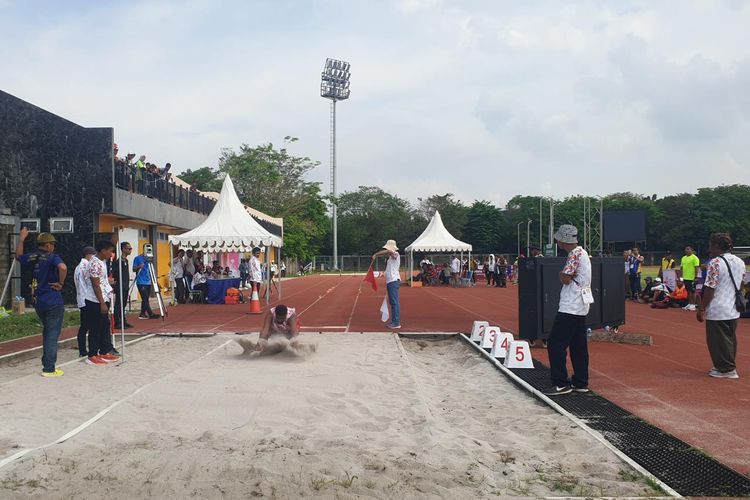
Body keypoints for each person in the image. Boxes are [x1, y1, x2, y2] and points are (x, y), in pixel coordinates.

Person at [545, 225, 592, 396]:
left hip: (570, 305)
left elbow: (565, 278)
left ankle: (560, 382)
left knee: (555, 343)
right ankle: (581, 381)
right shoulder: (583, 252)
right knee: (578, 344)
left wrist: (561, 274)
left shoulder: (574, 255)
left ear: (563, 240)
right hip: (581, 305)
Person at [15, 229, 68, 377]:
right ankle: (49, 368)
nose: (54, 247)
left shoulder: (31, 257)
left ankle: (46, 362)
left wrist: (21, 239)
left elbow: (18, 256)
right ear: (49, 245)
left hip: (38, 301)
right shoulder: (52, 257)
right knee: (52, 334)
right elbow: (63, 267)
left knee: (47, 332)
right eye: (53, 244)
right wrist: (60, 283)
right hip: (53, 300)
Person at [697, 233, 745, 379]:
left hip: (718, 308)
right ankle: (727, 365)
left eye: (711, 245)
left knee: (717, 340)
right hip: (733, 308)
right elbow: (741, 284)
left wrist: (702, 308)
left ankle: (726, 369)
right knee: (729, 339)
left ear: (717, 246)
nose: (709, 248)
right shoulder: (740, 262)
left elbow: (710, 288)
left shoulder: (715, 262)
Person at [84, 240, 120, 366]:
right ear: (103, 250)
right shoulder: (94, 263)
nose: (111, 254)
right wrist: (102, 303)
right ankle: (92, 354)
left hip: (105, 297)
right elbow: (95, 284)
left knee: (105, 326)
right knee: (95, 328)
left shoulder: (102, 262)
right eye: (110, 251)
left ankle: (104, 350)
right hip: (95, 300)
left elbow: (102, 280)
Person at [372, 239, 401, 329]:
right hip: (390, 281)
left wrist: (376, 254)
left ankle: (396, 322)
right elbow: (389, 269)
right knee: (392, 302)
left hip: (393, 281)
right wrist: (382, 274)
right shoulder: (390, 258)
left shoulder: (396, 254)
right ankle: (394, 321)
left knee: (394, 302)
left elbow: (389, 251)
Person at [74, 246, 97, 356]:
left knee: (85, 325)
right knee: (86, 326)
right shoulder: (84, 267)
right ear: (88, 255)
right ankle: (83, 350)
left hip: (83, 298)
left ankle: (83, 349)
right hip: (86, 299)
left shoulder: (80, 267)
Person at [132, 245, 158, 320]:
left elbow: (151, 270)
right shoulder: (137, 258)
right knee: (145, 298)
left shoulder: (150, 259)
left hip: (148, 281)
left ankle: (142, 313)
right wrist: (139, 266)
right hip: (141, 282)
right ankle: (150, 313)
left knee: (145, 298)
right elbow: (133, 269)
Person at [112, 241, 133, 330]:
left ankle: (123, 321)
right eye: (129, 249)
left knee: (124, 304)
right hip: (119, 286)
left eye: (131, 249)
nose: (130, 250)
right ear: (123, 249)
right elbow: (115, 274)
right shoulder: (118, 262)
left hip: (125, 286)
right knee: (118, 304)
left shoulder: (126, 261)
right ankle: (117, 322)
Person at [679, 246, 701, 311]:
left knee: (693, 291)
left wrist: (696, 277)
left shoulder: (695, 258)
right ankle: (689, 303)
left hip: (692, 278)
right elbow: (681, 268)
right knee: (688, 291)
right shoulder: (683, 258)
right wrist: (681, 277)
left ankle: (693, 305)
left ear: (692, 250)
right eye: (686, 249)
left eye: (688, 249)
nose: (686, 250)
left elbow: (696, 268)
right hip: (685, 277)